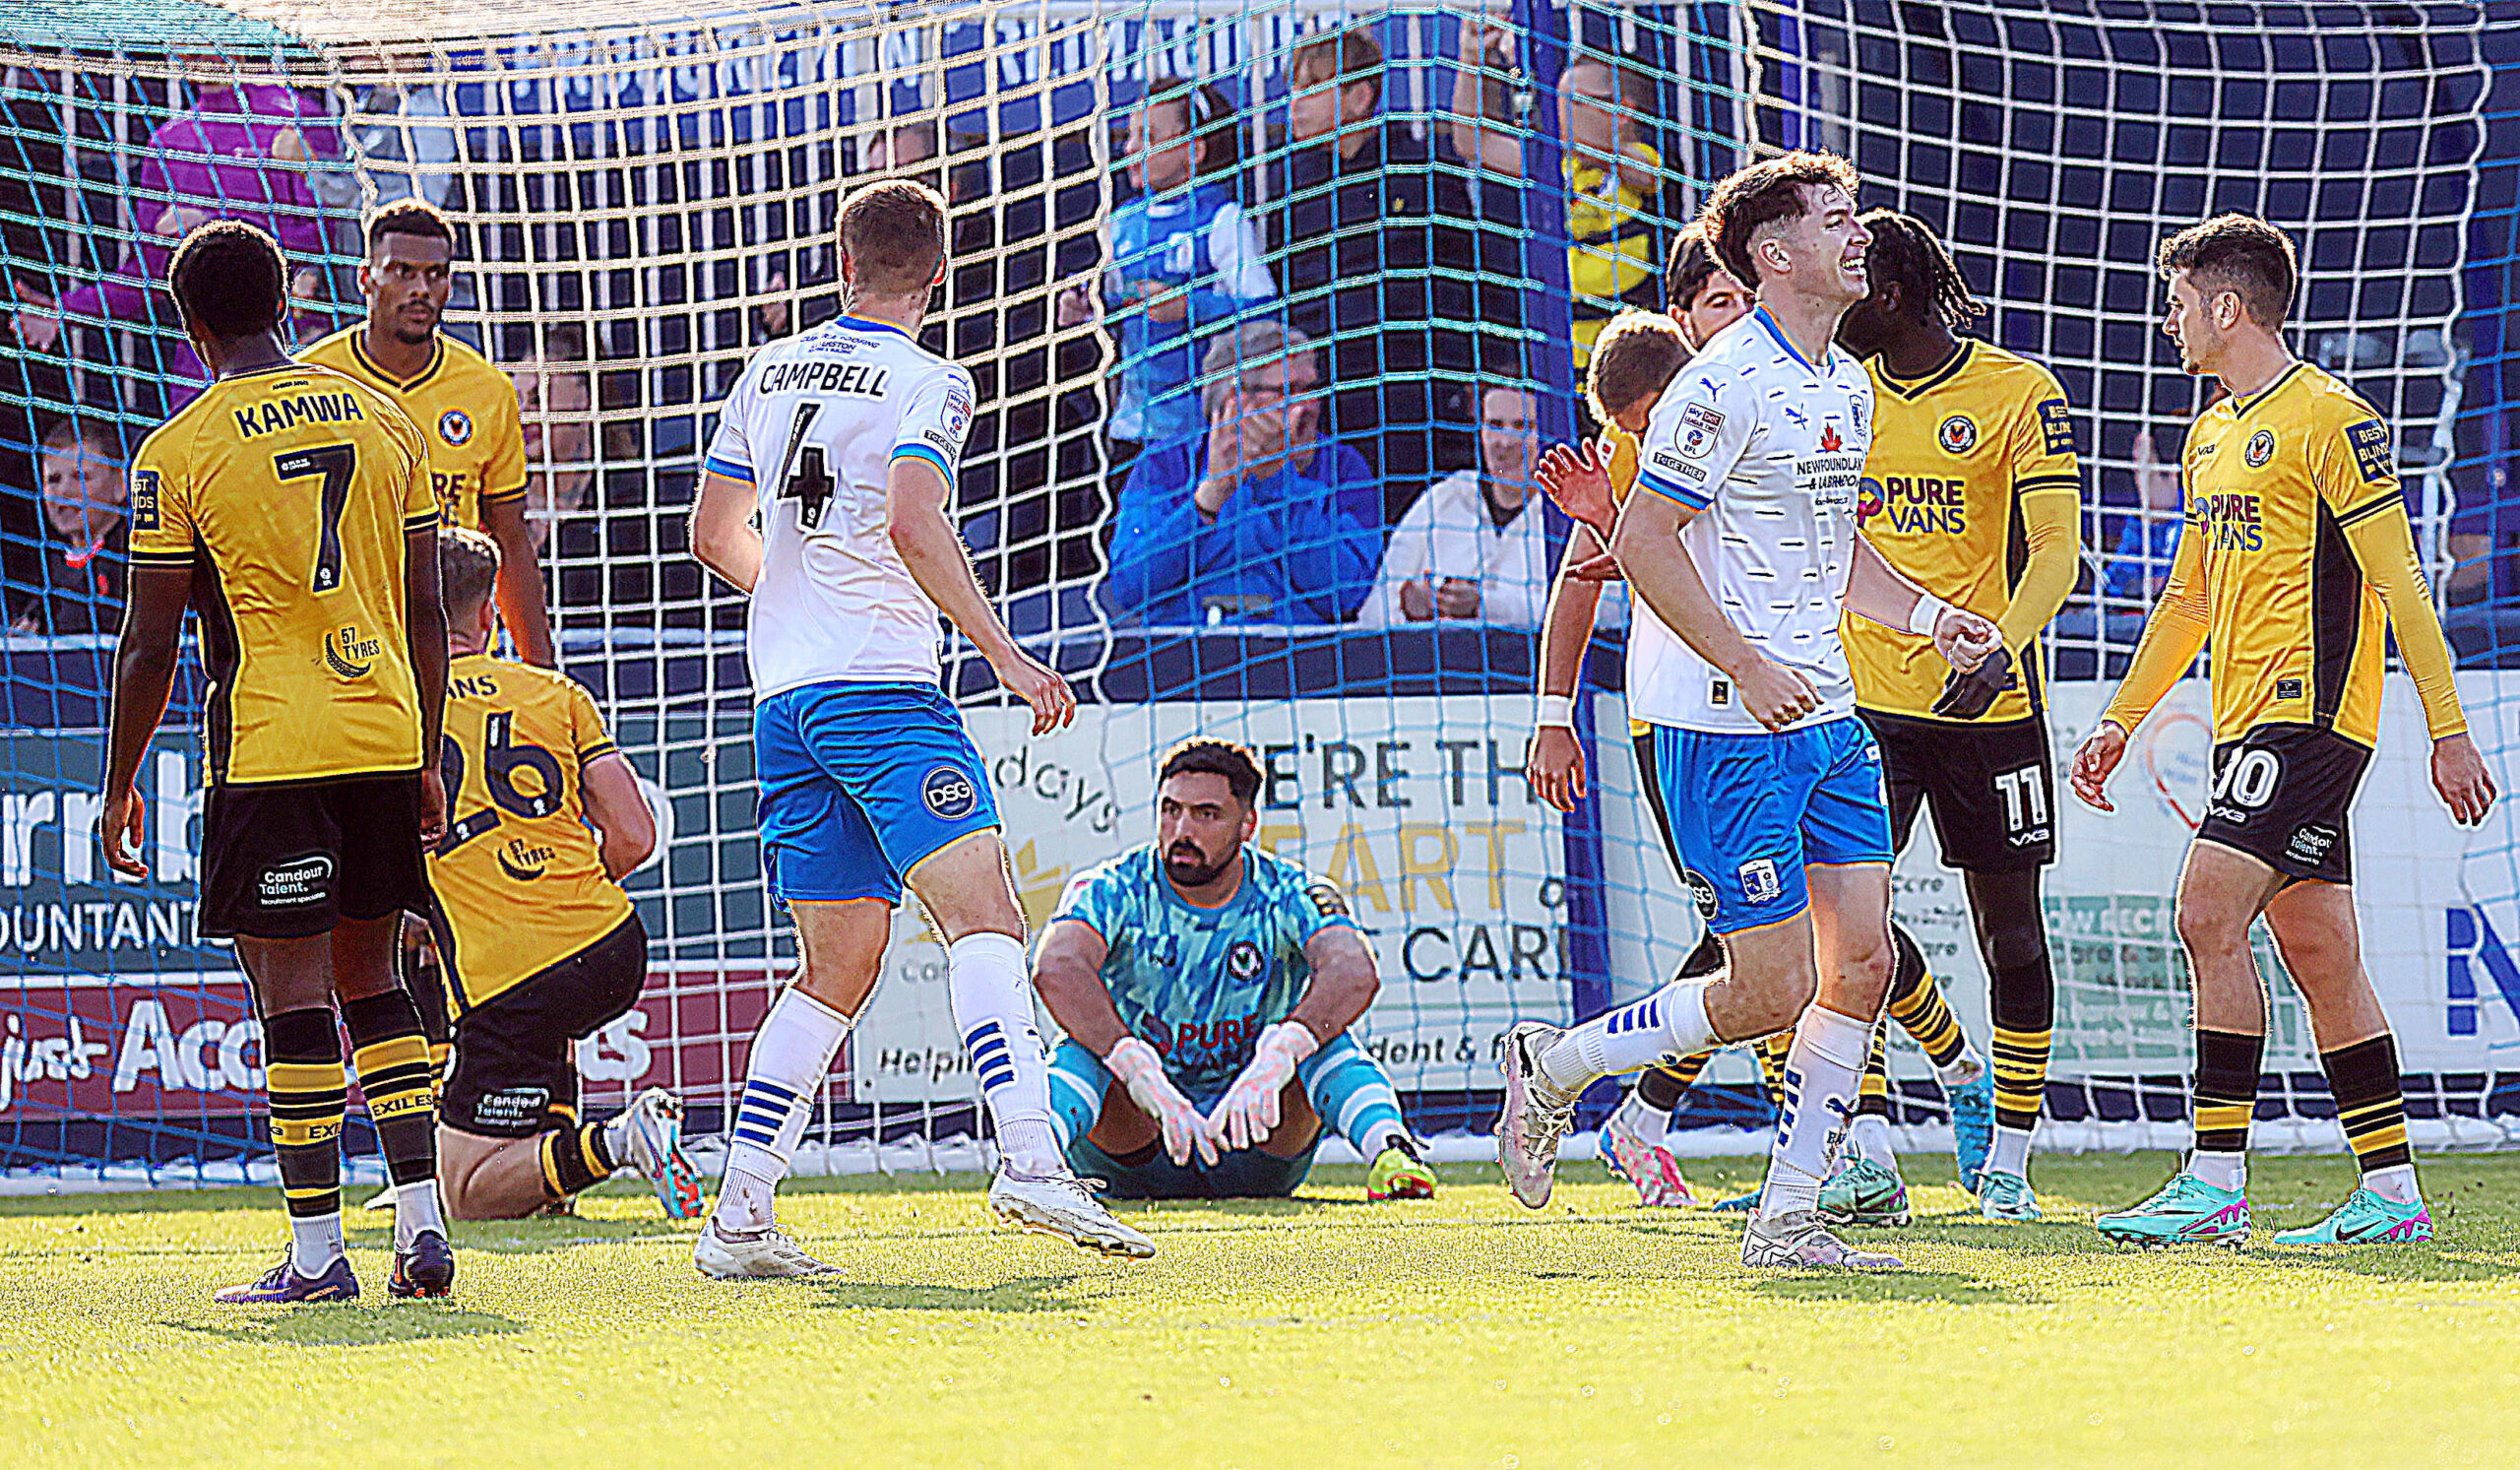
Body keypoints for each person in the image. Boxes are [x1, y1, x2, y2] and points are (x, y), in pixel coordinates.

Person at [1499, 153, 2000, 1271]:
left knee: (1860, 964)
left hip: (1825, 714)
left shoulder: (1845, 383)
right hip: (1722, 723)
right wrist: (1745, 663)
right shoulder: (1718, 384)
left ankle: (1787, 1214)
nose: (1857, 232)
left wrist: (1928, 616)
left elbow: (1837, 553)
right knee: (1767, 982)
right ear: (1774, 256)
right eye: (1832, 220)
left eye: (1852, 216)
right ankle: (1557, 1063)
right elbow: (1638, 541)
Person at [687, 178, 1151, 1276]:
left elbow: (713, 530)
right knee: (986, 916)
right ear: (940, 273)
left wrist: (795, 601)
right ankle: (1031, 1157)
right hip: (881, 688)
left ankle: (739, 1212)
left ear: (840, 260)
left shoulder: (770, 366)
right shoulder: (930, 378)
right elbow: (909, 518)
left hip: (785, 699)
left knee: (837, 961)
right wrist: (1005, 653)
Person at [2073, 214, 2497, 1248]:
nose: (2167, 321)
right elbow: (2186, 601)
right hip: (2242, 720)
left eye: (2177, 302)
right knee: (2317, 949)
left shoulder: (2330, 419)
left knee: (2203, 911)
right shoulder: (2208, 434)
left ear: (2226, 306)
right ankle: (2392, 1195)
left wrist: (2447, 730)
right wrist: (2121, 719)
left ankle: (2214, 1177)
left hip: (2311, 718)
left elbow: (2399, 582)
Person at [100, 220, 453, 1303]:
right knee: (375, 979)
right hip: (386, 735)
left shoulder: (182, 450)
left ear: (194, 325)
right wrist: (428, 752)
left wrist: (119, 784)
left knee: (293, 996)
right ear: (290, 302)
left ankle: (314, 1258)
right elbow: (429, 606)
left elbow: (151, 639)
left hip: (272, 746)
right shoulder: (385, 417)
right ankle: (424, 1230)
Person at [1819, 208, 2084, 1223]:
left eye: (1851, 288)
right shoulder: (1837, 392)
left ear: (1888, 294)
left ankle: (2008, 1155)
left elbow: (2056, 551)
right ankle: (1869, 1145)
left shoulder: (2019, 392)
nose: (1835, 308)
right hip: (1864, 705)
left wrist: (2002, 647)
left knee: (2008, 934)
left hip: (1989, 706)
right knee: (1851, 928)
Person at [421, 528, 700, 1221]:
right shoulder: (556, 693)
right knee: (542, 1016)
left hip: (509, 973)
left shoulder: (400, 710)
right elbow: (635, 832)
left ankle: (617, 1141)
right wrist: (560, 884)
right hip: (613, 947)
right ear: (489, 615)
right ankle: (553, 1176)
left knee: (463, 1193)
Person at [1032, 739, 1437, 1202]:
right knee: (1081, 1050)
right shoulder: (1113, 887)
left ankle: (1393, 1155)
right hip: (1134, 1144)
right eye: (1170, 810)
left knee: (1326, 1039)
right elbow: (1057, 965)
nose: (1181, 830)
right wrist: (1135, 1065)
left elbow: (1353, 969)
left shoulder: (1290, 890)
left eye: (1206, 814)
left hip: (1254, 1135)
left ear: (1248, 825)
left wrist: (1280, 1052)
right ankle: (1035, 1167)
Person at [302, 199, 555, 666]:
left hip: (450, 639)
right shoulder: (311, 379)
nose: (420, 289)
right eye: (401, 271)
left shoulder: (485, 390)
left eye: (435, 275)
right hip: (342, 635)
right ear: (366, 278)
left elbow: (509, 537)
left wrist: (542, 675)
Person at [11, 79, 345, 416]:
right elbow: (148, 278)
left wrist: (211, 223)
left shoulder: (296, 118)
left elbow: (331, 239)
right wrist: (65, 309)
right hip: (203, 378)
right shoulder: (171, 142)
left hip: (297, 359)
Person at [1264, 27, 1485, 493]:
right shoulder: (1288, 185)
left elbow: (1466, 285)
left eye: (1309, 88)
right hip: (1322, 402)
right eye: (1292, 90)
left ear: (1359, 96)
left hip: (1410, 402)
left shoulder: (1420, 170)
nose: (1293, 104)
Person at [1102, 321, 1381, 627]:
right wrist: (1210, 497)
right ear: (1235, 399)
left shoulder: (1342, 466)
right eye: (1289, 391)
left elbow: (1351, 596)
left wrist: (1277, 484)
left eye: (1312, 388)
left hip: (1302, 651)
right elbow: (1131, 588)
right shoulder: (1165, 465)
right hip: (1182, 648)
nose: (1310, 405)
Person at [1056, 76, 1274, 469]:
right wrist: (1083, 309)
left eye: (1150, 136)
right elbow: (1115, 305)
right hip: (1131, 428)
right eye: (1131, 134)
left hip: (1203, 428)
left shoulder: (1221, 219)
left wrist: (1189, 306)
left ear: (1194, 149)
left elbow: (1265, 312)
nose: (1132, 147)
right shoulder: (1122, 222)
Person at [1447, 26, 1666, 370]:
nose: (1559, 111)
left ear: (1621, 111)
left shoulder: (1644, 158)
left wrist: (1593, 148)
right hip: (1562, 356)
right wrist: (1474, 58)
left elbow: (1645, 174)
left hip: (1634, 357)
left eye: (1573, 101)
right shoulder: (1553, 163)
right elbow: (1473, 141)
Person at [1358, 385, 1567, 630]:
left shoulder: (1569, 512)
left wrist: (1484, 606)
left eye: (1523, 427)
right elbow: (1372, 614)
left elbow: (1609, 608)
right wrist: (1409, 609)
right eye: (1495, 425)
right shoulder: (1443, 499)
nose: (1506, 442)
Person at [10, 418, 127, 635]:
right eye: (53, 480)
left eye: (80, 476)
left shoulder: (139, 562)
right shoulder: (46, 577)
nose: (63, 492)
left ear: (121, 485)